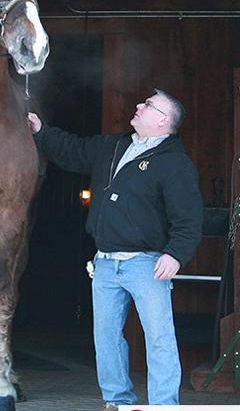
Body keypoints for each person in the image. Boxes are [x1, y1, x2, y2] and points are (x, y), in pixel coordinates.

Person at [28, 89, 203, 409]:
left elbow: (189, 218)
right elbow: (74, 150)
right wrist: (41, 131)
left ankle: (164, 405)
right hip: (105, 263)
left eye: (148, 105)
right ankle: (117, 401)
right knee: (106, 339)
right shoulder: (114, 145)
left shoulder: (175, 164)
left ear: (163, 121)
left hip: (146, 264)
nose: (139, 105)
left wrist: (176, 254)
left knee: (159, 339)